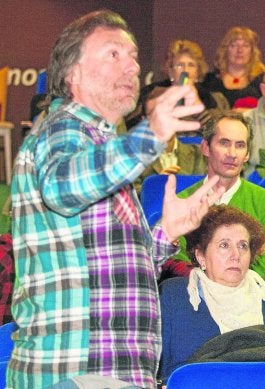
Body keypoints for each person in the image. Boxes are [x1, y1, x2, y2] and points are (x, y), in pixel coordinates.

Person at [9, 10, 225, 388]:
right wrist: (151, 134)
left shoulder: (103, 149)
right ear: (71, 73)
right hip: (75, 371)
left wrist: (165, 234)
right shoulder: (62, 130)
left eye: (134, 57)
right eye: (113, 54)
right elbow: (63, 188)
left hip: (112, 372)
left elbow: (110, 263)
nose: (131, 66)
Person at [159, 205, 265, 381]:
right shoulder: (174, 295)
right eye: (224, 245)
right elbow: (157, 369)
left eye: (243, 246)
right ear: (201, 256)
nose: (236, 255)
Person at [178, 111, 265, 284]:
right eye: (224, 143)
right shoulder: (184, 201)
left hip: (249, 299)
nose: (232, 153)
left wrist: (233, 284)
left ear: (248, 154)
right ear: (205, 147)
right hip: (195, 297)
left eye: (240, 145)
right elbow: (178, 258)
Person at [128, 38, 229, 130]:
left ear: (198, 71)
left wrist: (198, 106)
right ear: (170, 71)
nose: (186, 70)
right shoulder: (152, 94)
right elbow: (130, 127)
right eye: (180, 65)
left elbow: (221, 132)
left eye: (191, 65)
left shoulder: (216, 99)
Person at [201, 26, 265, 108]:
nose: (240, 50)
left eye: (245, 46)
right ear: (225, 50)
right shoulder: (210, 80)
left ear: (252, 51)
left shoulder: (262, 81)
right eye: (234, 45)